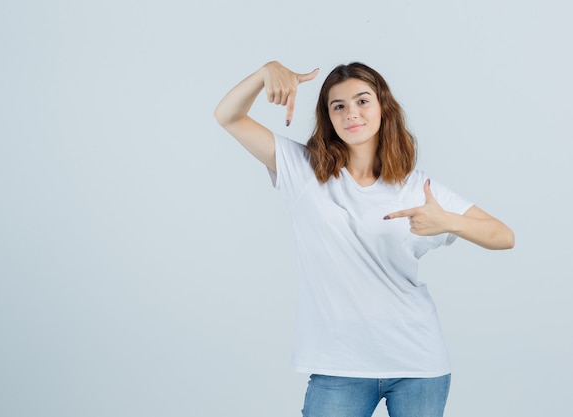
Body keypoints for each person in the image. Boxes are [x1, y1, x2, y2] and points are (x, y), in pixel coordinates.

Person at [213, 61, 514, 417]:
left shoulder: (416, 187)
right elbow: (228, 116)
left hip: (417, 363)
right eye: (338, 106)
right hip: (339, 367)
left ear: (383, 108)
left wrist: (448, 221)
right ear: (328, 117)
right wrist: (265, 74)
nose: (351, 113)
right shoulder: (302, 169)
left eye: (362, 101)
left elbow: (503, 236)